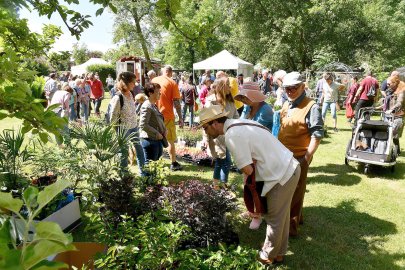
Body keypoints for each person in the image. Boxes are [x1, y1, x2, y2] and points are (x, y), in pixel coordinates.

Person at [198, 105, 301, 265]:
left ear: (214, 123)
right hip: (290, 166)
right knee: (282, 215)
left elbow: (247, 168)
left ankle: (268, 255)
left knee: (274, 218)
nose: (205, 132)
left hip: (283, 173)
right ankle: (279, 253)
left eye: (205, 127)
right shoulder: (241, 122)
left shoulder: (232, 135)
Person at [278, 72, 324, 236]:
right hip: (283, 155)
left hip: (299, 156)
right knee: (286, 189)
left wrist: (306, 158)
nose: (290, 91)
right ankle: (298, 217)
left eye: (294, 87)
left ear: (303, 87)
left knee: (296, 191)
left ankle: (290, 228)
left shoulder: (312, 107)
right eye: (287, 88)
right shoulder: (287, 104)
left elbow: (317, 136)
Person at [204, 78, 239, 189]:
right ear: (221, 87)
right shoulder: (211, 101)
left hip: (229, 136)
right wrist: (205, 138)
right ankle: (222, 185)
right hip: (216, 138)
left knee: (222, 161)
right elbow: (205, 121)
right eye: (228, 85)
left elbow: (236, 117)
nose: (230, 87)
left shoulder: (230, 102)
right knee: (225, 161)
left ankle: (217, 185)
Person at [109, 71, 146, 176]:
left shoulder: (131, 93)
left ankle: (143, 172)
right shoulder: (118, 97)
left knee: (139, 149)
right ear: (126, 83)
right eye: (133, 82)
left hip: (134, 127)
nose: (135, 85)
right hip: (123, 129)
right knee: (123, 152)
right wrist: (117, 130)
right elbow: (113, 116)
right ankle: (123, 174)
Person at [152, 65, 183, 171]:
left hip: (154, 115)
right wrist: (181, 118)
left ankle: (155, 162)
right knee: (170, 140)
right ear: (170, 72)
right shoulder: (172, 83)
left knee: (155, 138)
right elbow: (176, 102)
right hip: (167, 116)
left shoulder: (154, 80)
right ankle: (173, 163)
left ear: (162, 71)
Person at [139, 83, 167, 163]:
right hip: (149, 139)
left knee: (155, 163)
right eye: (158, 92)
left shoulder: (153, 105)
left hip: (156, 139)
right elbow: (143, 125)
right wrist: (156, 133)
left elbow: (157, 121)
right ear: (150, 93)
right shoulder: (146, 106)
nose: (160, 94)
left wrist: (164, 129)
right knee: (150, 165)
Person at [385, 75, 405, 152]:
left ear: (395, 83)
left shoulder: (402, 91)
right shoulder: (395, 90)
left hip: (398, 117)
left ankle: (393, 152)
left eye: (389, 84)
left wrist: (391, 110)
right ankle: (397, 151)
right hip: (394, 116)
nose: (388, 86)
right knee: (394, 136)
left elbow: (399, 103)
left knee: (391, 135)